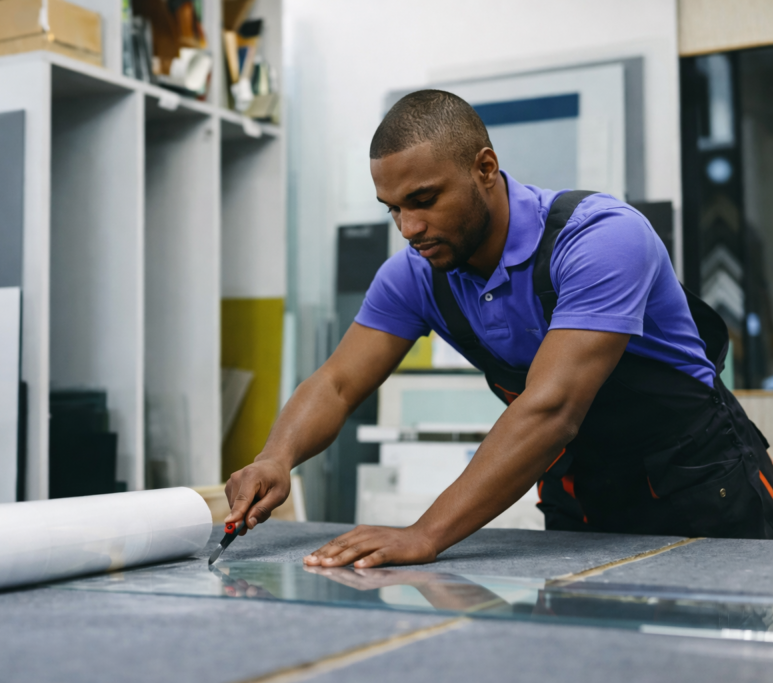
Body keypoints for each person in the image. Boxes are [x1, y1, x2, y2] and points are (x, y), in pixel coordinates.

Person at [223, 89, 773, 569]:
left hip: (707, 491)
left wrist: (425, 533)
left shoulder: (600, 239)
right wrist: (276, 456)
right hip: (580, 500)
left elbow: (550, 409)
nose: (409, 228)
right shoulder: (415, 274)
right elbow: (338, 383)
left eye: (424, 200)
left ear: (485, 168)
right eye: (392, 209)